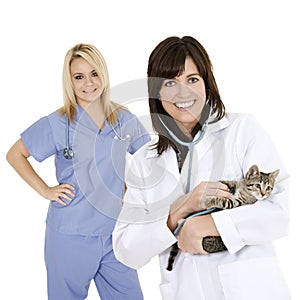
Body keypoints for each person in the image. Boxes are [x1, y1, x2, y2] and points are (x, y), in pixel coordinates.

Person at [112, 36, 291, 300]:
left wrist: (211, 224)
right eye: (170, 83)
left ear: (207, 83)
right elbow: (126, 249)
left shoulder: (242, 131)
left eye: (193, 80)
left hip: (251, 289)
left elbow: (279, 213)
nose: (183, 93)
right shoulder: (143, 161)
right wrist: (175, 215)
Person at [6, 43, 149, 300]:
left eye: (94, 73)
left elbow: (149, 158)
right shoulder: (57, 123)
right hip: (69, 236)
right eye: (79, 77)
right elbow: (15, 154)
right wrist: (46, 190)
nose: (89, 83)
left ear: (103, 75)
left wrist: (131, 187)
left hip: (115, 234)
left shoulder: (123, 119)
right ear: (69, 82)